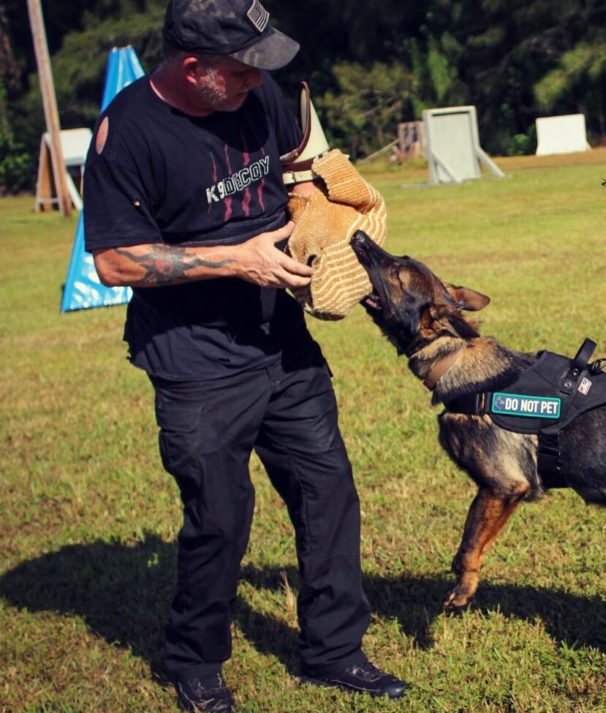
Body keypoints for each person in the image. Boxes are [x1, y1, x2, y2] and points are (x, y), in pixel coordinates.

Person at [83, 1, 408, 710]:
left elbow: (297, 168)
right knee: (220, 515)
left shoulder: (263, 95)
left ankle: (334, 648)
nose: (253, 82)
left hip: (280, 342)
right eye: (237, 70)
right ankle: (195, 659)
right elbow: (112, 261)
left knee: (327, 491)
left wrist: (324, 218)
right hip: (196, 360)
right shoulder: (128, 132)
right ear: (193, 68)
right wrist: (239, 259)